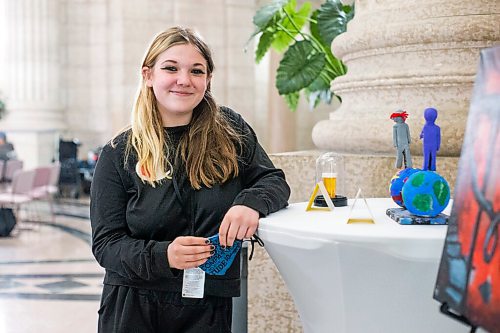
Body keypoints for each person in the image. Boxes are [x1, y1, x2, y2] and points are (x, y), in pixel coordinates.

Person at [90, 27, 290, 333]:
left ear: (207, 80)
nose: (184, 80)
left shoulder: (231, 131)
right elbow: (107, 245)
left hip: (209, 304)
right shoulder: (119, 154)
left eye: (197, 71)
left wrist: (249, 204)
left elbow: (272, 181)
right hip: (136, 306)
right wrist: (164, 255)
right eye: (171, 68)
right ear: (148, 75)